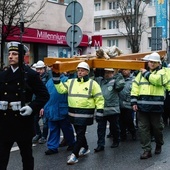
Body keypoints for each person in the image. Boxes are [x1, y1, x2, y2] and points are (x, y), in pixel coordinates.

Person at [0, 41, 49, 169]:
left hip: (22, 121)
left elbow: (44, 95)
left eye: (15, 54)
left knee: (26, 156)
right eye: (10, 54)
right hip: (5, 120)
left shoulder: (30, 74)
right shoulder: (3, 74)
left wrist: (32, 107)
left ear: (22, 56)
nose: (10, 56)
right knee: (2, 157)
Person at [52, 61, 104, 165]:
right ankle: (85, 147)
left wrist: (99, 111)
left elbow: (99, 98)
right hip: (73, 113)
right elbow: (61, 90)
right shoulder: (71, 82)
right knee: (79, 132)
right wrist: (56, 77)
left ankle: (74, 155)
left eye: (82, 70)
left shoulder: (92, 84)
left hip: (85, 113)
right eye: (79, 70)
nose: (80, 72)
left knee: (80, 134)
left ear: (87, 72)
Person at [131, 52, 167, 159]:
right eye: (150, 62)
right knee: (143, 129)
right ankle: (147, 150)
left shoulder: (162, 72)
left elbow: (157, 81)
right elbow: (135, 87)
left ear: (158, 63)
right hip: (142, 106)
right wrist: (133, 102)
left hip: (156, 107)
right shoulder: (140, 74)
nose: (151, 64)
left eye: (154, 62)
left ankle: (159, 144)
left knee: (157, 128)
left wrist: (146, 73)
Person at [42, 75, 75, 155]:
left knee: (66, 129)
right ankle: (52, 147)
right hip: (51, 109)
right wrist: (43, 107)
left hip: (62, 109)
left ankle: (72, 143)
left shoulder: (66, 80)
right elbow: (45, 95)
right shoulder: (50, 81)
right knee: (53, 129)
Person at [94, 68, 125, 152]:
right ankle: (100, 145)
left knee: (114, 127)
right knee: (100, 128)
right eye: (106, 72)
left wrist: (118, 73)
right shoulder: (100, 80)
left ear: (113, 73)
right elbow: (93, 78)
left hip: (113, 110)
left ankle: (116, 140)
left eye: (110, 72)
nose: (107, 74)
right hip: (102, 109)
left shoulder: (115, 80)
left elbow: (120, 86)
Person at [32, 60, 51, 144]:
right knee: (34, 119)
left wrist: (43, 106)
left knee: (45, 122)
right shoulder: (35, 77)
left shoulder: (48, 78)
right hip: (36, 102)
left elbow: (47, 93)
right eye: (37, 69)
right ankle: (38, 134)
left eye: (40, 69)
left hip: (45, 103)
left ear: (44, 69)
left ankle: (44, 136)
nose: (39, 71)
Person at [119, 69, 136, 141]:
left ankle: (133, 133)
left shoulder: (133, 80)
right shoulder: (119, 79)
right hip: (119, 103)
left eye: (126, 70)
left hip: (129, 103)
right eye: (123, 70)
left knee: (128, 120)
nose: (125, 71)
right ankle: (123, 136)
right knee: (121, 121)